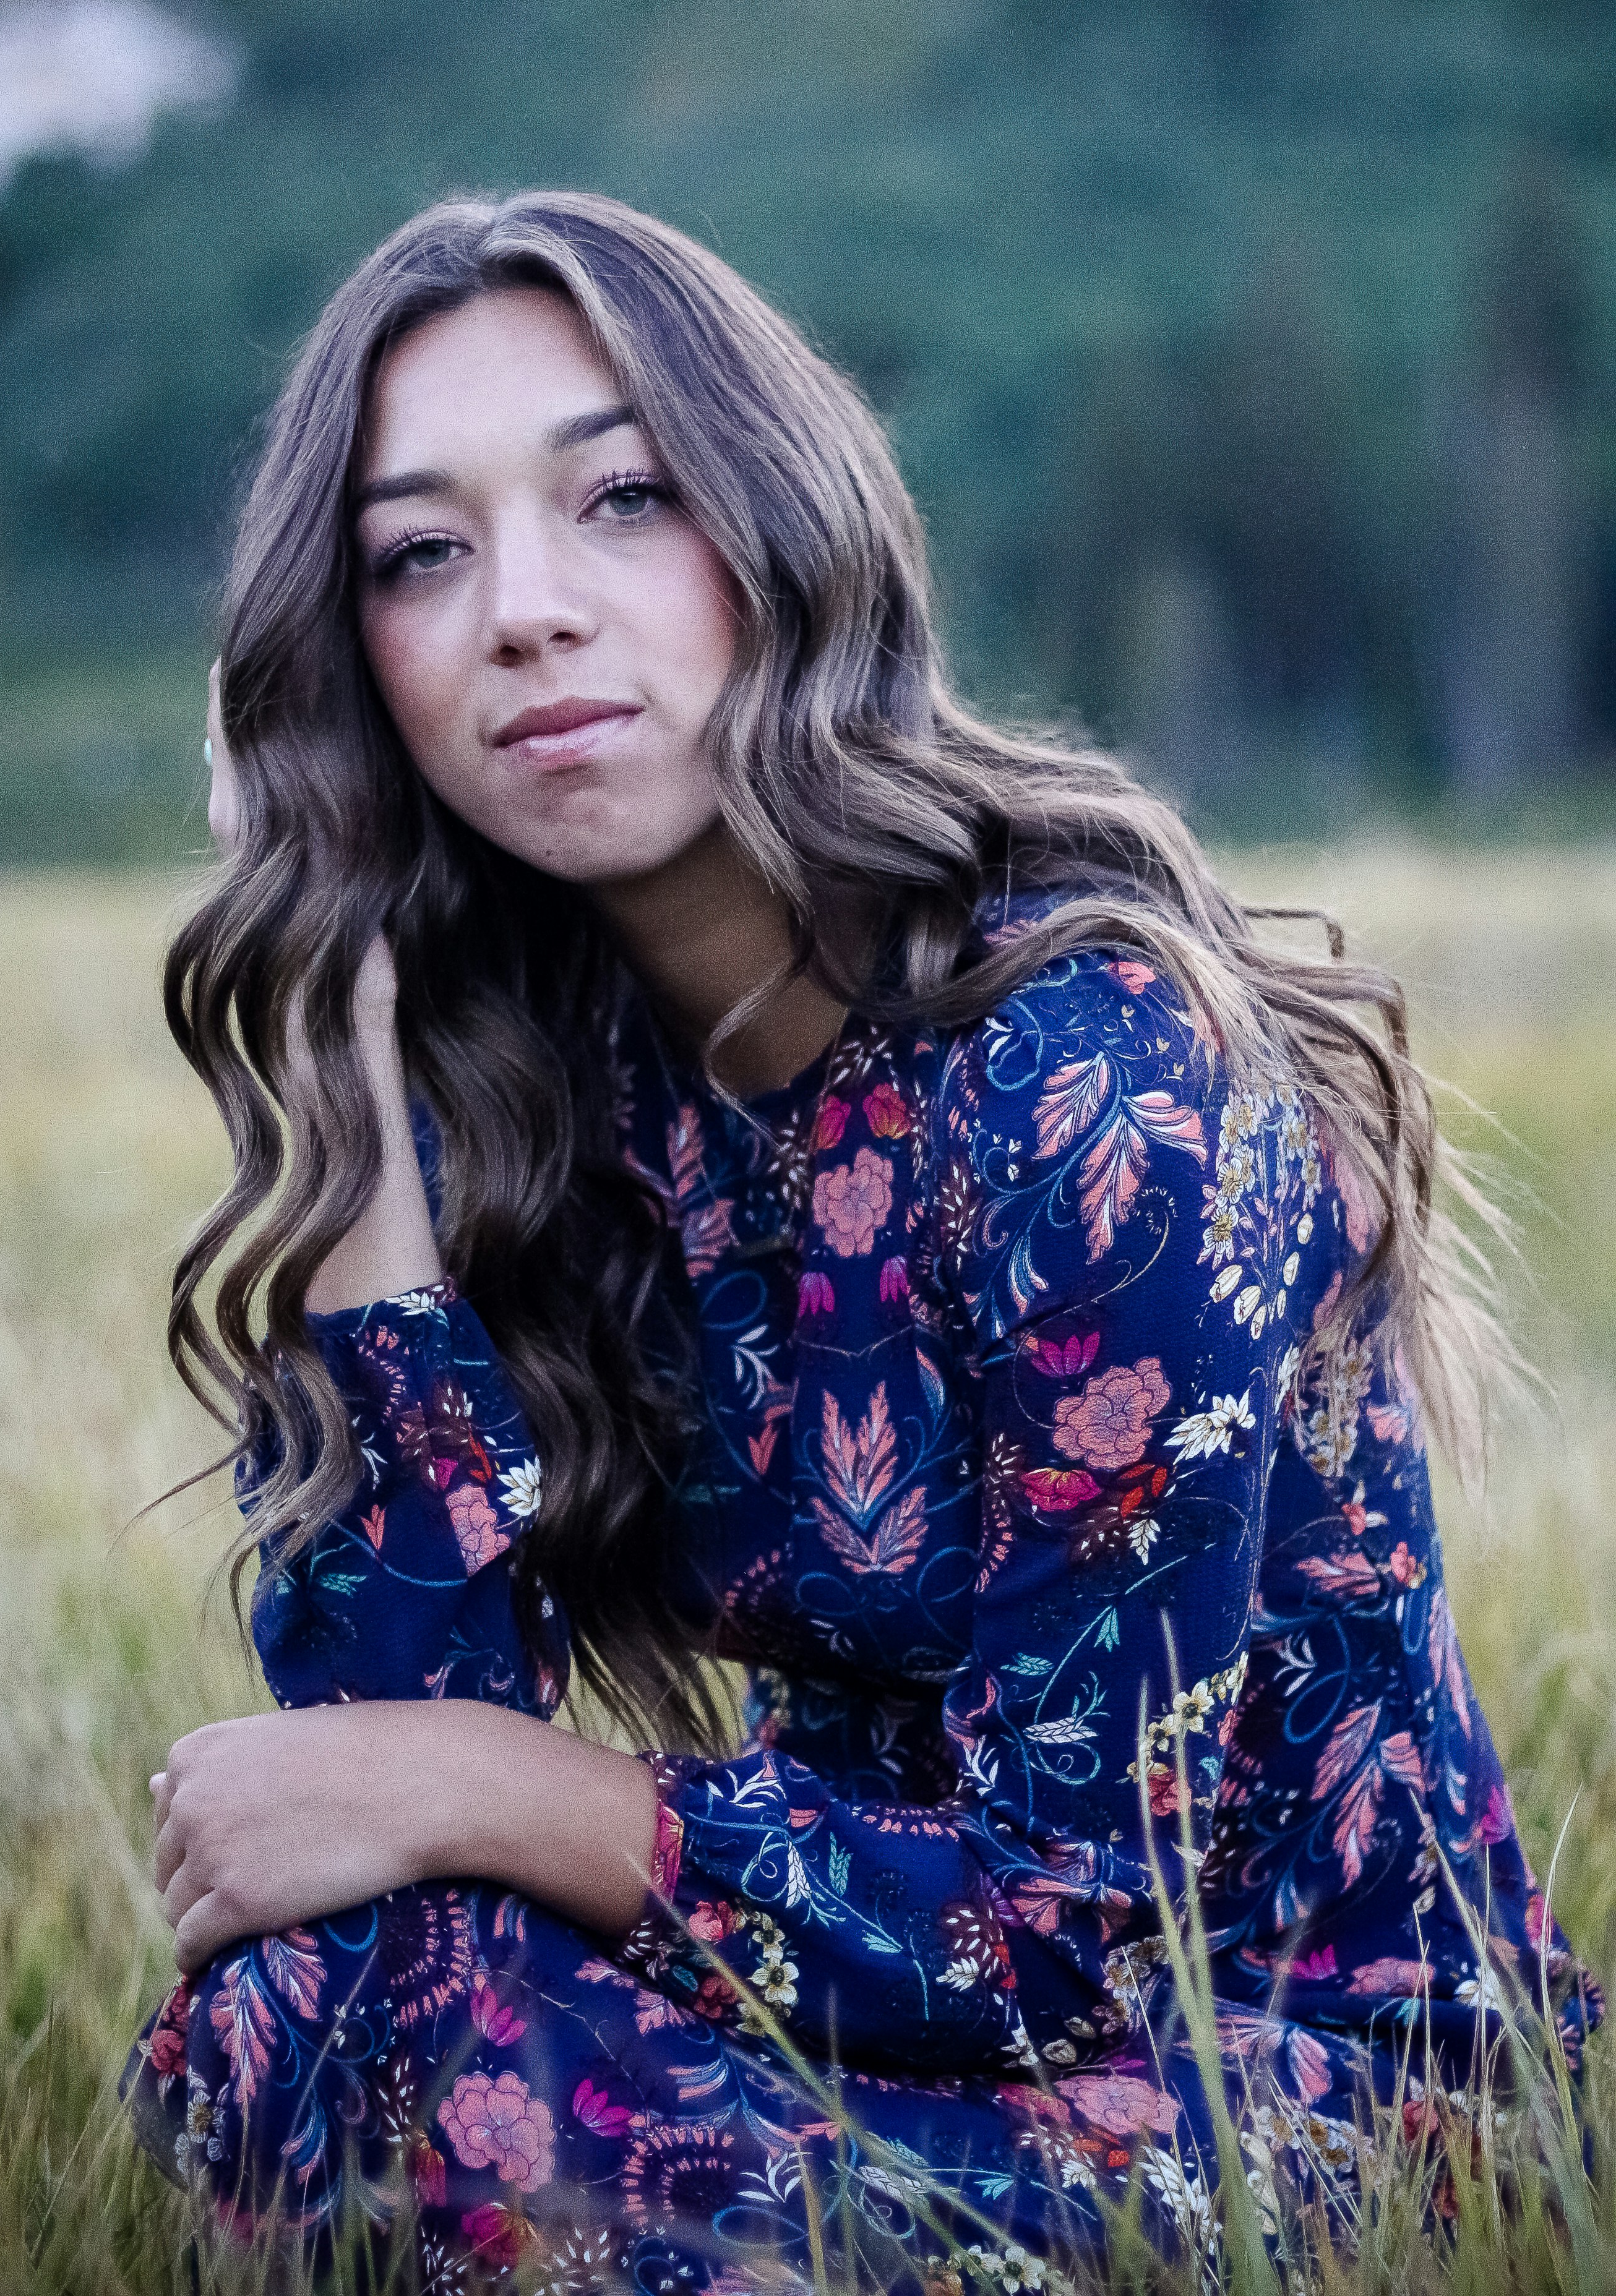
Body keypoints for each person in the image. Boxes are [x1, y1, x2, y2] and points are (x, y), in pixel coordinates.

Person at [125, 192, 1601, 2289]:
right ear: (341, 659)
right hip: (865, 2018)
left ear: (781, 527)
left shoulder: (1091, 1088)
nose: (524, 612)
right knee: (309, 2013)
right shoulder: (548, 1098)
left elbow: (1071, 1936)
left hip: (1294, 2082)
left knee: (450, 2089)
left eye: (621, 498)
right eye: (419, 553)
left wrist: (482, 1781)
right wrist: (348, 1090)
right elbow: (367, 1788)